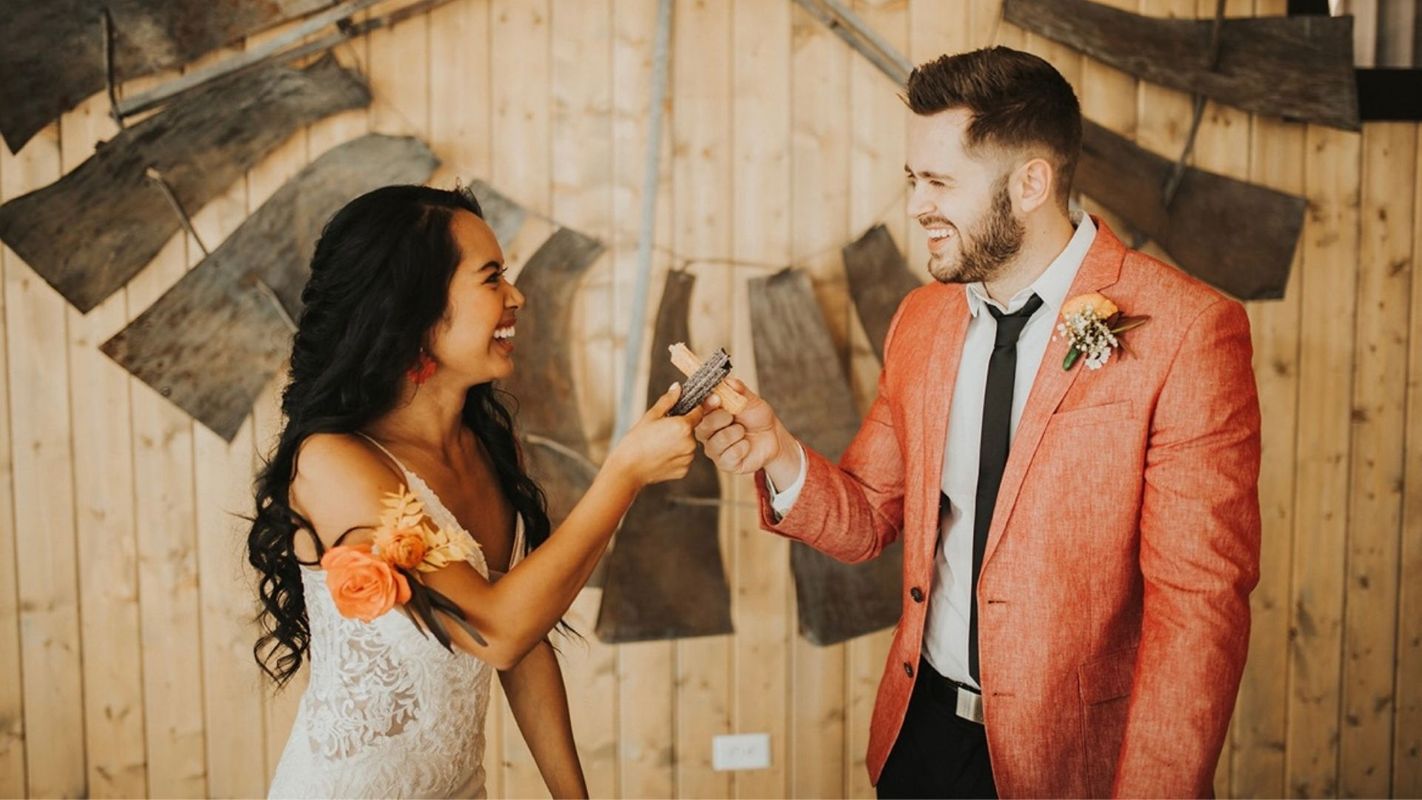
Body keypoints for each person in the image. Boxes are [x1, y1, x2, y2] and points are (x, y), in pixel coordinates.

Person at [695, 47, 1261, 797]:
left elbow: (1198, 615)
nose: (915, 207)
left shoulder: (1189, 332)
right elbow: (868, 514)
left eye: (938, 183)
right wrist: (778, 452)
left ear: (1031, 183)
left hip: (1078, 764)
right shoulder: (921, 320)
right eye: (911, 181)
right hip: (920, 738)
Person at [251, 184, 701, 798]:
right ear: (412, 306)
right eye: (492, 279)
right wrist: (623, 475)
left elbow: (527, 639)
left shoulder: (484, 446)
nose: (516, 297)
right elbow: (497, 630)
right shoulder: (335, 463)